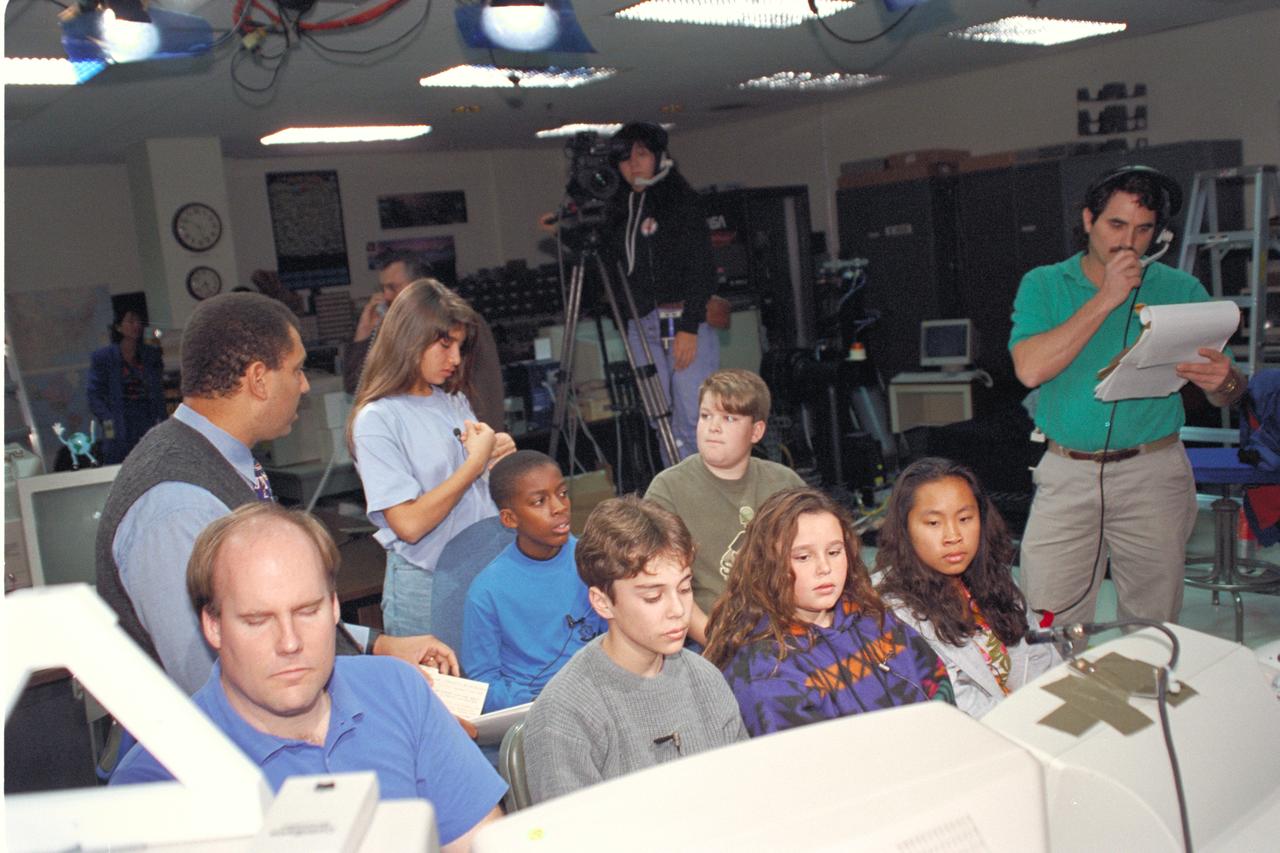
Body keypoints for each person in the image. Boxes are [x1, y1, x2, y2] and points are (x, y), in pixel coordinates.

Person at [96, 292, 456, 695]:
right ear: (258, 379)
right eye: (297, 369)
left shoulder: (225, 461)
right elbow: (215, 686)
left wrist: (379, 646)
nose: (304, 385)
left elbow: (268, 630)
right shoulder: (178, 506)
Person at [111, 503, 505, 852]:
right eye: (257, 620)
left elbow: (483, 841)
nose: (289, 642)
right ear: (213, 626)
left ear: (334, 606)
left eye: (307, 611)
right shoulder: (157, 781)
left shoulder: (399, 689)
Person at [1010, 165, 1246, 626]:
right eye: (1116, 225)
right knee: (1047, 617)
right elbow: (1030, 368)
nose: (1128, 242)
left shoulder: (1182, 290)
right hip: (1067, 472)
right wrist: (1106, 299)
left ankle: (1143, 695)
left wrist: (1225, 383)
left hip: (1153, 473)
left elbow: (1228, 395)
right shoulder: (1045, 284)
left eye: (1143, 230)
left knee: (1152, 624)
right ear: (1087, 222)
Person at [522, 496, 746, 803]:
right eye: (653, 597)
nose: (678, 609)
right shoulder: (566, 713)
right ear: (602, 602)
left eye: (684, 588)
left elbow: (745, 795)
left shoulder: (705, 679)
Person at [704, 487, 952, 737]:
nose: (825, 568)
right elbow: (811, 765)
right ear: (767, 565)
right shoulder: (765, 669)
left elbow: (939, 688)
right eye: (803, 557)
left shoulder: (873, 617)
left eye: (834, 552)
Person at [349, 278, 516, 637]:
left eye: (459, 345)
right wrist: (474, 466)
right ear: (410, 338)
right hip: (428, 584)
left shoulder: (451, 399)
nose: (455, 359)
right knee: (440, 692)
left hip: (483, 569)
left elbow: (469, 485)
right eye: (444, 344)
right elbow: (408, 524)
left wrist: (494, 457)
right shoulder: (378, 418)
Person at [874, 458, 1060, 718]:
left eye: (964, 518)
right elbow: (956, 706)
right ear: (905, 530)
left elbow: (1042, 658)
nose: (953, 536)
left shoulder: (991, 578)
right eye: (934, 523)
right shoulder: (891, 611)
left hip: (1030, 720)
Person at [644, 368, 803, 645]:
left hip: (787, 625)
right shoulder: (668, 489)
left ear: (756, 431)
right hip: (709, 635)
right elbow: (660, 586)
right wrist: (719, 644)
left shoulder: (785, 482)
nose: (713, 427)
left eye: (729, 418)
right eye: (706, 416)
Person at [608, 122, 720, 463]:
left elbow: (702, 266)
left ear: (659, 156)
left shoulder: (681, 201)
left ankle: (704, 499)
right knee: (661, 421)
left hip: (683, 320)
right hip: (641, 325)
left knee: (694, 417)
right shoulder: (618, 208)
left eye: (641, 155)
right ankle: (674, 501)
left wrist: (690, 326)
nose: (634, 165)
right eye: (625, 158)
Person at [461, 450, 604, 712]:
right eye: (539, 501)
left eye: (562, 493)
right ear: (509, 518)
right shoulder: (487, 592)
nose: (559, 507)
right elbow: (483, 684)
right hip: (534, 710)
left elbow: (621, 639)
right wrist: (537, 704)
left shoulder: (596, 560)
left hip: (600, 697)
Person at [344, 250, 505, 430]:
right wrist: (364, 333)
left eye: (393, 287)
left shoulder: (461, 323)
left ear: (419, 286)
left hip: (461, 434)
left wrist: (486, 441)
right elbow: (355, 386)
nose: (386, 296)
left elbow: (486, 389)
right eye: (383, 288)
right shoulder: (392, 330)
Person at [87, 306, 166, 464]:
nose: (136, 325)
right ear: (118, 327)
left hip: (147, 416)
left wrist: (162, 420)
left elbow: (158, 390)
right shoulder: (104, 357)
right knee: (120, 461)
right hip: (120, 418)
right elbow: (94, 394)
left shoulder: (150, 354)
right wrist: (108, 419)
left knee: (152, 461)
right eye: (130, 321)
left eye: (138, 321)